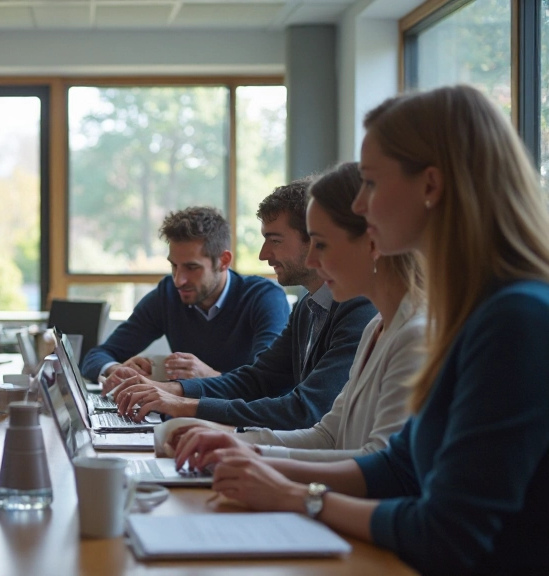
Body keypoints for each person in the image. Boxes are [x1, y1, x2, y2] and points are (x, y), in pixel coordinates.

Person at [174, 85, 549, 574]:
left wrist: (298, 497)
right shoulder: (474, 310)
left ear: (431, 186)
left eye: (370, 184)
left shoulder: (514, 317)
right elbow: (397, 465)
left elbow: (447, 532)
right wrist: (255, 455)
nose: (361, 204)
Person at [168, 162, 425, 462]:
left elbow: (379, 464)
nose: (314, 260)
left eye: (322, 244)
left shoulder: (396, 326)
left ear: (372, 242)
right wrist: (237, 445)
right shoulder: (369, 326)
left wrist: (281, 484)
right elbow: (327, 434)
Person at [109, 181, 377, 431]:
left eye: (275, 240)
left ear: (317, 240)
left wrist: (182, 405)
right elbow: (257, 379)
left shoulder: (361, 308)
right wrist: (169, 390)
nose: (263, 254)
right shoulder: (309, 306)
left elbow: (306, 410)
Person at [80, 206, 290, 382]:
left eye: (192, 267)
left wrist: (210, 376)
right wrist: (115, 369)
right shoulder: (168, 295)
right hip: (183, 416)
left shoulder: (263, 297)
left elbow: (268, 383)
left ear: (223, 261)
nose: (179, 280)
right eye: (174, 266)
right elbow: (95, 357)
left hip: (240, 424)